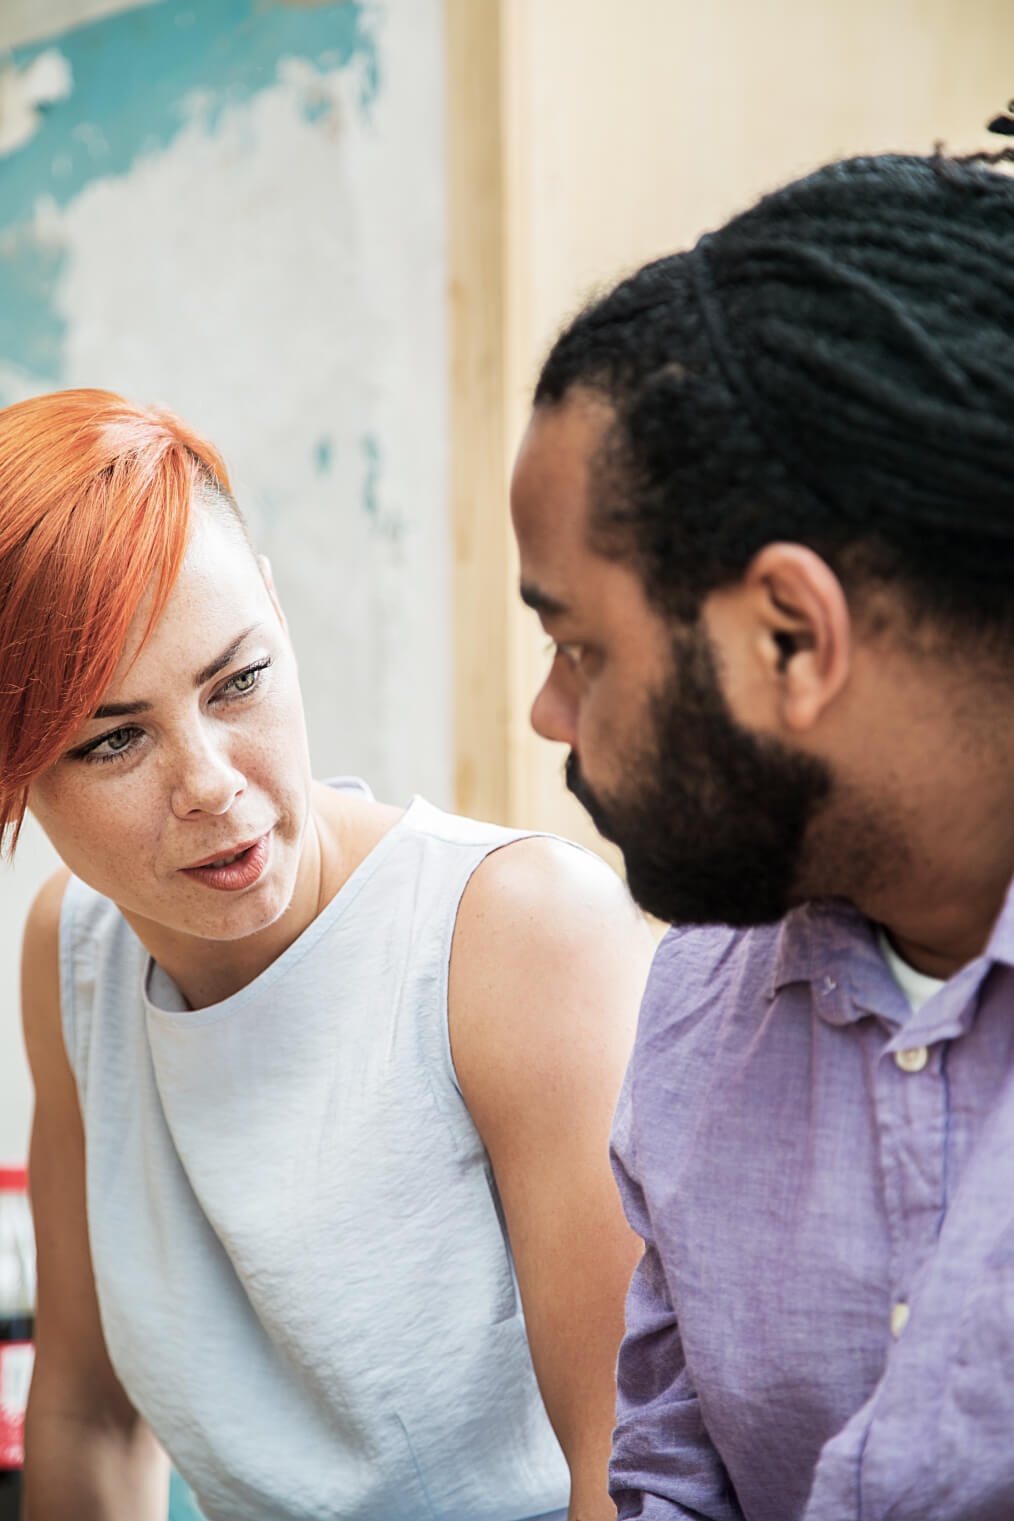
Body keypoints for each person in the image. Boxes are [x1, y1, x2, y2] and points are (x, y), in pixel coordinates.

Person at [10, 388, 653, 1521]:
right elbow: (84, 1413)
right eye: (116, 739)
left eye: (238, 681)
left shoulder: (517, 935)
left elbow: (633, 1481)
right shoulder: (77, 955)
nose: (210, 782)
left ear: (276, 609)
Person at [509, 148, 1014, 1520]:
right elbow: (665, 1481)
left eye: (578, 645)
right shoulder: (693, 1019)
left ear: (790, 636)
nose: (548, 712)